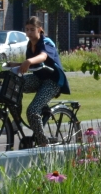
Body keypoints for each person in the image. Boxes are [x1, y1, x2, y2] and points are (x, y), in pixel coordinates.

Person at [13, 16, 68, 146]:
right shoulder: (29, 44)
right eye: (27, 30)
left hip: (52, 81)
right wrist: (15, 64)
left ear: (40, 29)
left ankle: (43, 142)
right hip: (39, 78)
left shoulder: (46, 42)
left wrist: (28, 61)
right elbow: (32, 65)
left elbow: (43, 56)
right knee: (14, 84)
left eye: (32, 29)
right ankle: (16, 120)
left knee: (32, 110)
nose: (29, 33)